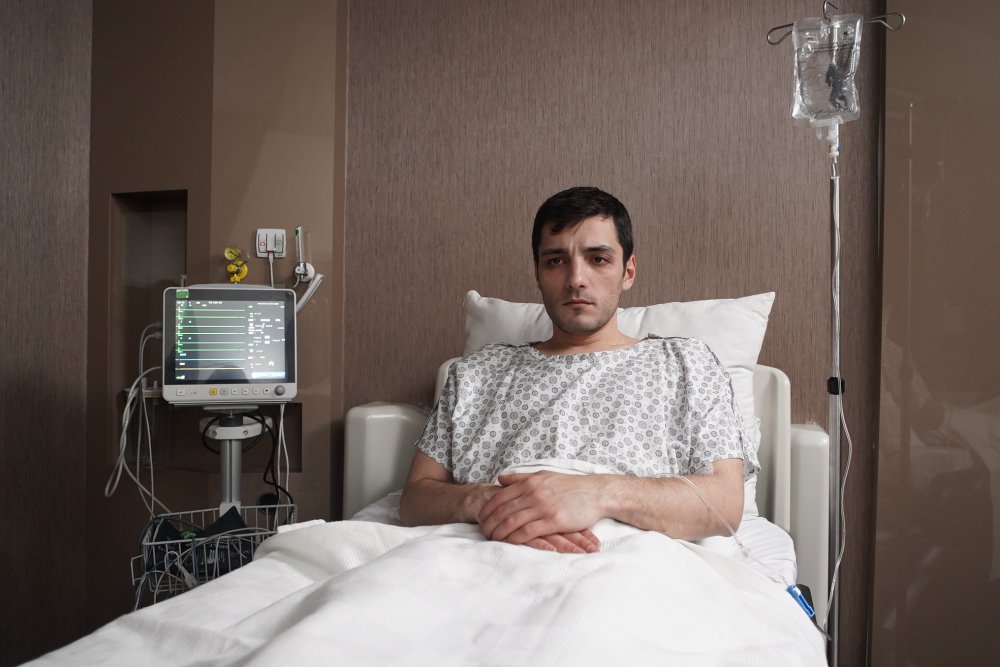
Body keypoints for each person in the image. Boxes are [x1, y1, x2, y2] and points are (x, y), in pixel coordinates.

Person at [399, 186, 758, 554]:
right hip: (483, 549)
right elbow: (414, 499)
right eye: (556, 260)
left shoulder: (687, 367)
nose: (575, 279)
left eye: (598, 259)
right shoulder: (478, 374)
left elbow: (725, 504)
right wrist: (491, 502)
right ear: (538, 273)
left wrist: (596, 493)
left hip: (629, 559)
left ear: (628, 271)